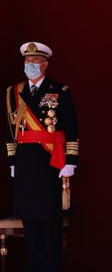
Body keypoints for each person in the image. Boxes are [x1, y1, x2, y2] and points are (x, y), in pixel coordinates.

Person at [4, 42, 78, 272]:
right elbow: (9, 130)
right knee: (30, 221)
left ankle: (51, 266)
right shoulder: (13, 92)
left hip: (50, 162)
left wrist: (70, 160)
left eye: (35, 62)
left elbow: (71, 128)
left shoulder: (60, 91)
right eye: (27, 62)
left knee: (49, 221)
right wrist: (13, 161)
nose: (31, 66)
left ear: (45, 65)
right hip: (25, 162)